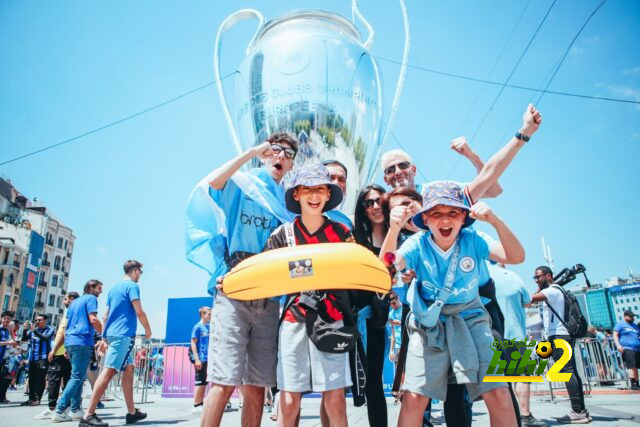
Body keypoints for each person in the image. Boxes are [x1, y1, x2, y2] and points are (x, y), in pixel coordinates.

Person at [380, 181, 524, 427]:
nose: (445, 220)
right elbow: (388, 265)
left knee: (498, 392)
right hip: (429, 325)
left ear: (463, 217)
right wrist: (393, 229)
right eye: (436, 213)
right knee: (414, 398)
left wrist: (496, 221)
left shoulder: (474, 239)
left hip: (472, 319)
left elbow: (516, 257)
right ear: (425, 218)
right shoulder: (418, 243)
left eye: (453, 213)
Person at [195, 132, 297, 427]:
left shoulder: (288, 204)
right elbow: (213, 183)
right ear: (266, 154)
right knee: (223, 381)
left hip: (269, 297)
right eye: (276, 150)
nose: (281, 157)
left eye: (288, 154)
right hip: (235, 288)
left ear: (291, 165)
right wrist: (250, 152)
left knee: (256, 385)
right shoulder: (244, 183)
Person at [260, 164, 354, 427]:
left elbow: (354, 270)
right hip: (293, 319)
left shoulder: (343, 233)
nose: (314, 196)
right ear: (297, 195)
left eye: (320, 190)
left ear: (328, 195)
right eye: (307, 190)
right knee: (289, 401)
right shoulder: (282, 234)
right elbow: (266, 274)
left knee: (335, 399)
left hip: (331, 319)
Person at [80, 260, 152, 427]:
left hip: (113, 334)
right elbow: (139, 311)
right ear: (135, 271)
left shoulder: (114, 289)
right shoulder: (132, 287)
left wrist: (104, 338)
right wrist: (148, 330)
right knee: (108, 371)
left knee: (128, 370)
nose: (140, 275)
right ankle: (88, 415)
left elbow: (105, 316)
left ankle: (132, 412)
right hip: (123, 335)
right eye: (140, 272)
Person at [352, 184, 391, 427]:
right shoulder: (355, 238)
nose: (375, 207)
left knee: (376, 381)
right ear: (362, 209)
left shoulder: (400, 235)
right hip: (360, 317)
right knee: (368, 382)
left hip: (385, 318)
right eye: (368, 203)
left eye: (379, 201)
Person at [530, 266, 590, 423]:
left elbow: (529, 299)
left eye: (538, 277)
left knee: (567, 371)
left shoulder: (552, 291)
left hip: (559, 336)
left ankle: (578, 412)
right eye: (535, 278)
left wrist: (537, 288)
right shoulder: (557, 290)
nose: (536, 280)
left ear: (548, 276)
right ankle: (580, 410)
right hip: (563, 336)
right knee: (570, 371)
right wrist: (540, 284)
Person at [491, 263, 546, 427]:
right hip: (514, 335)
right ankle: (525, 415)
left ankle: (503, 419)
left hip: (490, 335)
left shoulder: (479, 275)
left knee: (496, 381)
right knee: (521, 376)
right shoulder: (512, 277)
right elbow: (527, 302)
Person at [50, 280, 103, 422]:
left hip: (71, 341)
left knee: (77, 377)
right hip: (82, 341)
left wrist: (67, 345)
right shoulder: (91, 299)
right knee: (77, 377)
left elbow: (66, 326)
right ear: (91, 288)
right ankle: (60, 410)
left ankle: (75, 409)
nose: (101, 291)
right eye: (99, 288)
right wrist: (105, 333)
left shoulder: (73, 303)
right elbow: (93, 319)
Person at [31, 291, 80, 419]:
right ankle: (66, 408)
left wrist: (54, 350)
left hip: (61, 352)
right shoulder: (69, 314)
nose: (63, 301)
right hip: (64, 352)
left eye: (65, 299)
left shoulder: (70, 314)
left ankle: (54, 408)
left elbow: (65, 333)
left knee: (54, 380)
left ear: (72, 300)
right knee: (65, 380)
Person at [21, 313, 55, 406]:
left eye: (39, 320)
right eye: (36, 320)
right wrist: (25, 329)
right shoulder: (33, 331)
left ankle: (37, 398)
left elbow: (46, 338)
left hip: (43, 358)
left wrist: (35, 331)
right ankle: (31, 398)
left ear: (45, 320)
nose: (37, 322)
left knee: (40, 379)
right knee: (31, 378)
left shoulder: (49, 329)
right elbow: (24, 338)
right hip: (32, 358)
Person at [322, 159, 354, 229]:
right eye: (330, 177)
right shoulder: (297, 211)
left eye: (341, 179)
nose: (336, 183)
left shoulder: (347, 224)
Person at [191, 306, 211, 413]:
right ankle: (196, 404)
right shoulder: (197, 327)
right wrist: (196, 359)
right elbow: (193, 343)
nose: (210, 316)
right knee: (199, 381)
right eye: (208, 314)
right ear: (202, 314)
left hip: (208, 358)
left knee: (204, 382)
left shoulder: (209, 327)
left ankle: (201, 403)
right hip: (201, 358)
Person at [613, 310, 640, 390]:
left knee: (636, 366)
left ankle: (637, 383)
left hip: (637, 348)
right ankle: (633, 384)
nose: (632, 318)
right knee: (631, 366)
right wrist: (618, 345)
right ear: (625, 316)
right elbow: (615, 335)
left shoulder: (635, 325)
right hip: (627, 348)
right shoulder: (620, 324)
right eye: (630, 316)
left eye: (633, 316)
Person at [0, 311, 19, 403]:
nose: (6, 320)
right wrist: (9, 343)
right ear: (1, 319)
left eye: (8, 319)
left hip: (3, 359)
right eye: (5, 318)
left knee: (4, 380)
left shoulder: (6, 331)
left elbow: (11, 344)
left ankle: (2, 397)